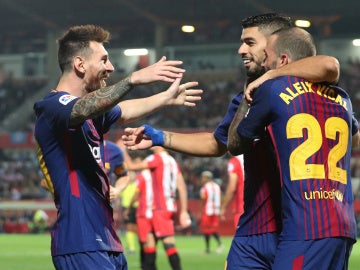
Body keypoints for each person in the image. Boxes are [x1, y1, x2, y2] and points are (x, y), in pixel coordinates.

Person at [121, 13, 341, 269]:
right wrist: (161, 137)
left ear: (275, 45)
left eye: (249, 42)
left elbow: (329, 65)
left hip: (301, 226)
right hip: (256, 227)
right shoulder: (252, 96)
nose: (240, 50)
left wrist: (269, 77)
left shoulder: (305, 91)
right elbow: (218, 144)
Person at [33, 24, 203, 270]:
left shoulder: (92, 116)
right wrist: (133, 79)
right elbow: (82, 108)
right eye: (103, 60)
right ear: (80, 65)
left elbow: (122, 111)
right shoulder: (52, 107)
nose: (110, 67)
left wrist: (164, 98)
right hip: (80, 241)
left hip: (107, 241)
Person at [228, 26, 360, 270]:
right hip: (344, 225)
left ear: (283, 60)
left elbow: (236, 142)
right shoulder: (342, 97)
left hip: (306, 227)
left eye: (266, 57)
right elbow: (356, 139)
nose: (264, 64)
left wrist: (257, 85)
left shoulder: (272, 88)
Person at [122, 146, 190, 270]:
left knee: (167, 244)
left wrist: (122, 150)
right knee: (150, 243)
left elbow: (131, 166)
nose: (150, 143)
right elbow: (181, 186)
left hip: (159, 208)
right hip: (168, 207)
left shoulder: (156, 158)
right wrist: (184, 210)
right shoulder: (173, 161)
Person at [199, 170, 223, 254]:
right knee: (212, 229)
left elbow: (203, 199)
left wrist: (200, 210)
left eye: (203, 177)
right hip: (216, 210)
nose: (202, 179)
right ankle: (218, 244)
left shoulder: (205, 187)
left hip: (207, 210)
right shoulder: (217, 186)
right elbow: (220, 197)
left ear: (207, 178)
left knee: (206, 229)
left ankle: (208, 248)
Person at [220, 154, 244, 229]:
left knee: (241, 238)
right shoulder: (252, 157)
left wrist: (223, 207)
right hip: (258, 206)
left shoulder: (234, 161)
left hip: (242, 206)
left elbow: (232, 187)